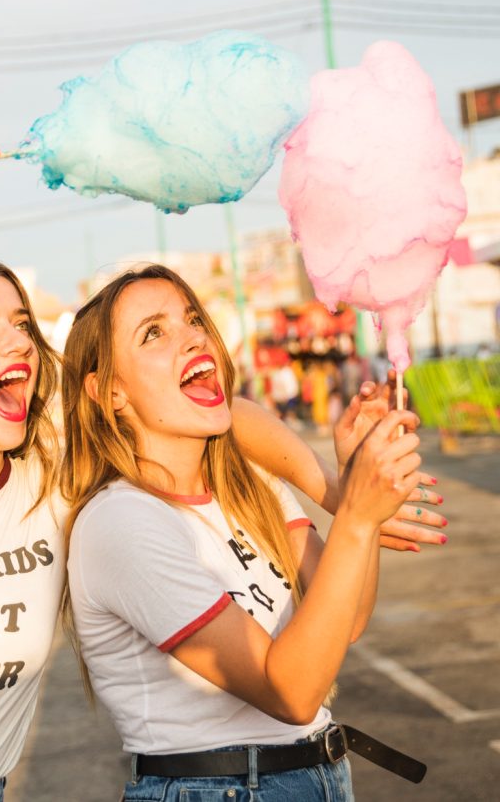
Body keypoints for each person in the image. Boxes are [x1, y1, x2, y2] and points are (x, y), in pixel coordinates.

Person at [0, 142, 446, 802]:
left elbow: (217, 409)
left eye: (21, 322)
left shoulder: (50, 482)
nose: (17, 337)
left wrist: (337, 487)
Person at [61, 264, 440, 801]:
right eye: (154, 332)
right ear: (109, 392)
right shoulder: (121, 521)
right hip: (219, 789)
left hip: (314, 777)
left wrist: (359, 499)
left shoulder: (249, 483)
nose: (193, 335)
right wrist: (354, 515)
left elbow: (347, 620)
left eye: (192, 319)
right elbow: (291, 692)